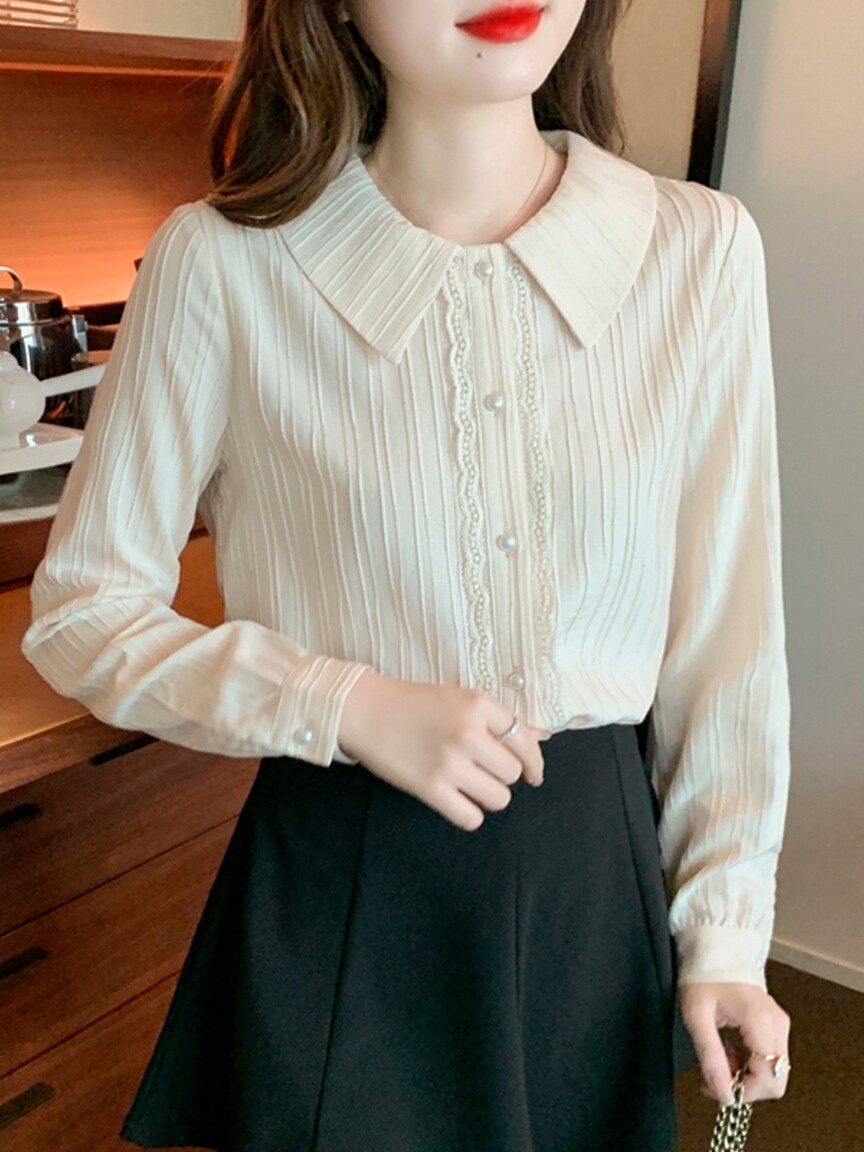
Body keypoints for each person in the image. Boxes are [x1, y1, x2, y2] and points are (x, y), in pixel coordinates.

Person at [21, 0, 793, 1148]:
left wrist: (725, 932)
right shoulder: (224, 262)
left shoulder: (699, 251)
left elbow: (727, 643)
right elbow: (82, 611)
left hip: (590, 887)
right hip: (345, 884)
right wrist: (342, 701)